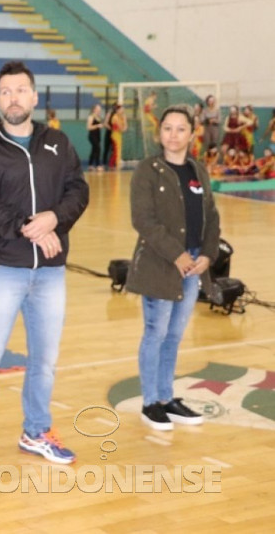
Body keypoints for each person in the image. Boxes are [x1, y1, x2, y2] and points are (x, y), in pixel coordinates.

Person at [0, 60, 89, 474]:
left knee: (45, 360)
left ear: (35, 97)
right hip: (3, 268)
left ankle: (37, 431)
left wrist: (55, 218)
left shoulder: (58, 143)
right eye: (5, 91)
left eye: (21, 90)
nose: (13, 98)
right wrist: (29, 227)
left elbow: (78, 190)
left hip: (50, 271)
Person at [126, 105, 220, 431]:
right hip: (160, 264)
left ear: (192, 135)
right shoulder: (147, 170)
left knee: (175, 335)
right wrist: (176, 254)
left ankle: (167, 398)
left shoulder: (198, 170)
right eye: (167, 128)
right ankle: (150, 402)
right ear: (159, 133)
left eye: (181, 129)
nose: (173, 135)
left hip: (194, 266)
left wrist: (207, 254)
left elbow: (211, 215)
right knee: (156, 333)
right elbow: (144, 220)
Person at [108, 103, 128, 169]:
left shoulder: (121, 117)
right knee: (117, 150)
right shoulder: (115, 117)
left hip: (119, 135)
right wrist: (123, 127)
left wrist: (124, 120)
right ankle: (113, 164)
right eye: (121, 110)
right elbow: (121, 128)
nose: (122, 111)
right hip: (115, 135)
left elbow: (125, 127)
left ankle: (114, 164)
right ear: (117, 110)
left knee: (118, 150)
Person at [85, 103, 103, 170]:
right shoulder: (91, 117)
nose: (100, 110)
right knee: (97, 149)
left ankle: (90, 164)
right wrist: (97, 126)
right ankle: (98, 165)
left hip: (97, 135)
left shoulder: (98, 117)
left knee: (94, 150)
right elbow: (88, 127)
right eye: (98, 109)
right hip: (92, 136)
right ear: (94, 109)